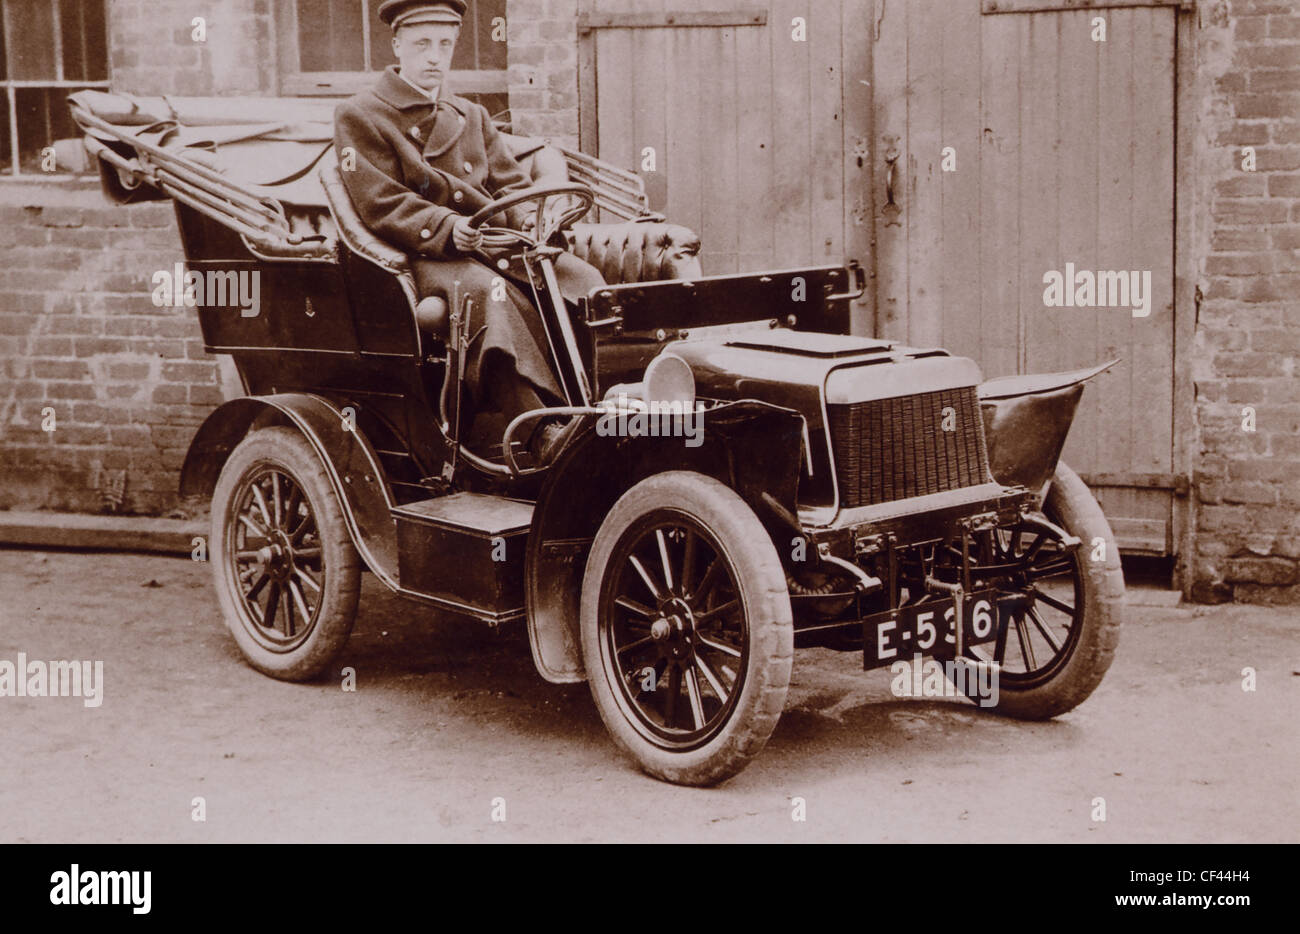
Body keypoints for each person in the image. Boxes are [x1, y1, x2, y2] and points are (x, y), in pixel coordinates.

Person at [334, 0, 604, 459]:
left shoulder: (471, 114)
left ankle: (600, 410)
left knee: (584, 281)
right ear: (397, 45)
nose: (435, 57)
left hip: (493, 245)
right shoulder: (362, 115)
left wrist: (534, 220)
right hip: (426, 256)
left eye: (445, 44)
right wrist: (446, 226)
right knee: (489, 297)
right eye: (422, 45)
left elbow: (510, 184)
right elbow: (380, 203)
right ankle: (540, 432)